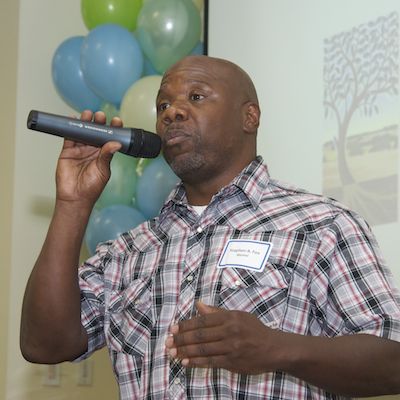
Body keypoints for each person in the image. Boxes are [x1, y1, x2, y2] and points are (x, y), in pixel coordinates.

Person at [20, 55, 400, 399]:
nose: (172, 113)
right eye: (163, 105)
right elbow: (45, 345)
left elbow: (391, 360)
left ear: (249, 116)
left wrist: (277, 347)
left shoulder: (320, 225)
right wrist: (73, 203)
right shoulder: (129, 251)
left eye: (196, 97)